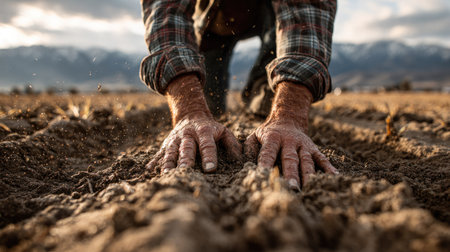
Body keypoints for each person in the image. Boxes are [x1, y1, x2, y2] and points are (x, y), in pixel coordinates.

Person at [140, 0, 339, 190]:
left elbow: (307, 9)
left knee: (267, 100)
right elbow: (165, 10)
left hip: (270, 15)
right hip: (212, 20)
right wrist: (188, 111)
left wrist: (290, 115)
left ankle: (261, 96)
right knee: (209, 102)